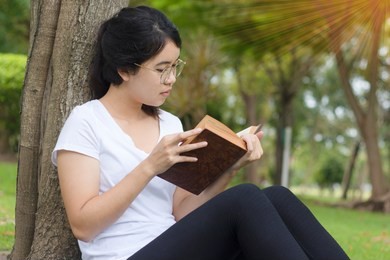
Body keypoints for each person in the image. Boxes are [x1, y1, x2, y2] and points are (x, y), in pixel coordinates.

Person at [52, 5, 349, 260]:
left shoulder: (170, 124)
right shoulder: (87, 122)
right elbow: (84, 226)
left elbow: (182, 213)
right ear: (124, 70)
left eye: (175, 67)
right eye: (161, 69)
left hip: (176, 245)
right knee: (245, 198)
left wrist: (231, 165)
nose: (171, 79)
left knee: (277, 196)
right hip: (125, 254)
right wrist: (149, 166)